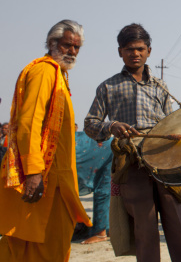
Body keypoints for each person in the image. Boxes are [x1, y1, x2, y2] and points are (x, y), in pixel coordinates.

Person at [84, 23, 181, 262]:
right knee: (144, 228)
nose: (134, 53)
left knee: (180, 225)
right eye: (129, 49)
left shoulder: (161, 86)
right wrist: (111, 126)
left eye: (139, 48)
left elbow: (171, 124)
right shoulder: (108, 86)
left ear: (149, 50)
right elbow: (90, 123)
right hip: (131, 164)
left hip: (165, 160)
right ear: (120, 52)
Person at [0, 20, 91, 261]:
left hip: (56, 180)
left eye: (77, 47)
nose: (72, 52)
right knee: (39, 249)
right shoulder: (44, 71)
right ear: (52, 44)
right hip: (45, 180)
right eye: (66, 45)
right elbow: (29, 122)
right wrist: (33, 173)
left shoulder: (58, 75)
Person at [74, 131, 114, 244]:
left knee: (103, 190)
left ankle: (101, 233)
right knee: (105, 189)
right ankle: (105, 228)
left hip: (101, 149)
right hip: (96, 145)